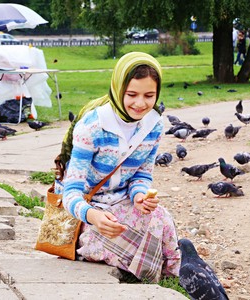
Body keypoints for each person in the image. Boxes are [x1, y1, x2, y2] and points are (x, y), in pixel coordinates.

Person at [59, 52, 180, 283]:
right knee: (120, 240)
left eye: (149, 95)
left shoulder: (154, 125)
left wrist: (140, 196)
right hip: (88, 208)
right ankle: (151, 276)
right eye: (131, 94)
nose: (140, 103)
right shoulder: (92, 126)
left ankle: (173, 277)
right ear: (118, 89)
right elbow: (70, 192)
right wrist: (92, 216)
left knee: (160, 218)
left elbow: (142, 175)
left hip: (120, 202)